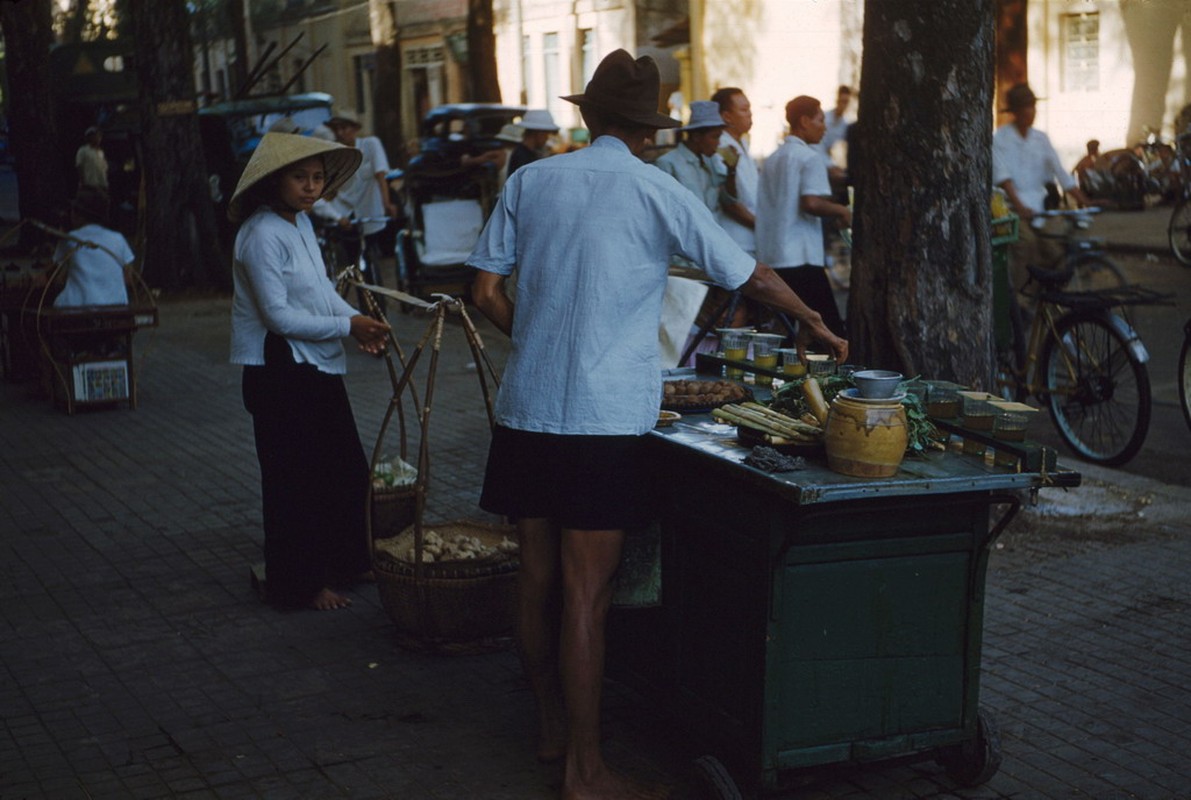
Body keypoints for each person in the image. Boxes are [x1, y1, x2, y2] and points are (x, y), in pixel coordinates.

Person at [467, 49, 847, 800]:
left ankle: (550, 724)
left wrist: (541, 341)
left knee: (535, 576)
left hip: (525, 412)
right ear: (646, 130)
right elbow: (751, 276)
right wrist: (815, 320)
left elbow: (482, 290)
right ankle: (586, 770)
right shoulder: (656, 189)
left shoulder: (532, 179)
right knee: (585, 596)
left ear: (588, 116)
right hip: (602, 421)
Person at [228, 132, 391, 611]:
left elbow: (319, 291)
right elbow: (276, 317)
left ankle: (349, 560)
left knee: (343, 465)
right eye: (300, 177)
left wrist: (357, 323)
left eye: (317, 178)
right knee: (293, 480)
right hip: (278, 370)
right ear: (274, 180)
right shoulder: (259, 235)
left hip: (311, 363)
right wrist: (347, 324)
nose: (310, 187)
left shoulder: (299, 224)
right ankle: (300, 583)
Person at [755, 95, 852, 338]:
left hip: (774, 256)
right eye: (820, 120)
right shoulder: (810, 157)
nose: (824, 127)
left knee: (782, 331)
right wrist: (841, 210)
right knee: (827, 327)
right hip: (802, 257)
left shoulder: (773, 159)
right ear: (805, 121)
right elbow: (810, 202)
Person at [992, 83, 1091, 297]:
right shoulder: (1001, 139)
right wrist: (1020, 207)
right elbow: (1004, 180)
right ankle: (1021, 303)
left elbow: (1061, 173)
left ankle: (1047, 302)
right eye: (1027, 107)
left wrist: (1086, 201)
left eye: (1033, 106)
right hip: (1011, 211)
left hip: (1039, 209)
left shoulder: (1041, 139)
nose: (1032, 112)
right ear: (1016, 112)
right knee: (1027, 246)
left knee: (1056, 252)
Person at [313, 109, 397, 277]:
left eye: (345, 128)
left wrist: (386, 203)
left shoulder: (371, 144)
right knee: (353, 260)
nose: (341, 133)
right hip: (345, 212)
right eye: (337, 129)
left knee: (373, 252)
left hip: (369, 209)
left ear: (355, 129)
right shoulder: (335, 155)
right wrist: (337, 217)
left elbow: (380, 175)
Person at [52, 188, 132, 308]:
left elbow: (54, 275)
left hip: (78, 305)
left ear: (78, 214)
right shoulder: (118, 238)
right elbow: (128, 277)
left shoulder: (70, 239)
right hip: (117, 303)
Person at [652, 100, 725, 214]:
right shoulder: (667, 163)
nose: (718, 143)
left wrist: (732, 170)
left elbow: (725, 199)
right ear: (696, 137)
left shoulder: (712, 161)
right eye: (715, 137)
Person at [711, 87, 758, 256]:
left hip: (753, 236)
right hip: (738, 239)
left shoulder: (742, 143)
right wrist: (760, 224)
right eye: (744, 110)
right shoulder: (722, 147)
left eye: (749, 109)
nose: (750, 114)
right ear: (727, 117)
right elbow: (729, 202)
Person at [507, 109, 560, 177]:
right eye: (546, 134)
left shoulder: (525, 153)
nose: (547, 138)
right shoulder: (522, 156)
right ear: (539, 133)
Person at [75, 127, 109, 195]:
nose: (98, 138)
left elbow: (104, 168)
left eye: (99, 136)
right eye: (96, 135)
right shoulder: (83, 150)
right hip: (89, 188)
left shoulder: (100, 153)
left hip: (102, 187)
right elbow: (79, 166)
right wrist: (83, 183)